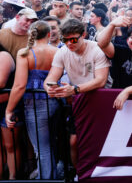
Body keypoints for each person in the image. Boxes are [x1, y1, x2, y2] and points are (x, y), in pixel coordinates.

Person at [43, 19, 110, 168]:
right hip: (80, 101)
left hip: (101, 100)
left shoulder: (96, 49)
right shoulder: (63, 52)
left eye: (73, 39)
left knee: (100, 141)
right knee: (74, 141)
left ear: (84, 35)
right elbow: (51, 78)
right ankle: (79, 173)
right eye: (65, 40)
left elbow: (101, 81)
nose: (69, 43)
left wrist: (74, 89)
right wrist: (51, 88)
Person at [5, 21, 59, 179]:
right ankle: (52, 177)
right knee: (51, 145)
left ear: (31, 34)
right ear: (49, 34)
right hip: (56, 101)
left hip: (35, 104)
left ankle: (47, 179)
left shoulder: (25, 53)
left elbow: (19, 85)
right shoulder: (57, 51)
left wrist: (9, 110)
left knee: (42, 149)